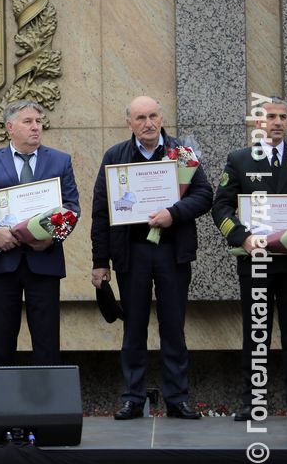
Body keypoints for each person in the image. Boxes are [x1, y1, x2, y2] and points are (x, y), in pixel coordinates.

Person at [90, 96, 211, 420]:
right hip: (132, 252)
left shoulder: (180, 153)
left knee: (173, 326)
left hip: (172, 251)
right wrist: (100, 262)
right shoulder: (115, 156)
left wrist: (174, 213)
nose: (148, 123)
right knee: (133, 328)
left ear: (161, 117)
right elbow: (101, 212)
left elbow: (205, 195)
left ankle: (177, 398)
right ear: (129, 123)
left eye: (153, 116)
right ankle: (133, 398)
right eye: (141, 117)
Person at [0, 100, 80, 366]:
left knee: (47, 339)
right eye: (28, 122)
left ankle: (48, 393)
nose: (36, 127)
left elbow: (72, 207)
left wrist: (52, 237)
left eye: (38, 121)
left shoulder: (60, 161)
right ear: (10, 127)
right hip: (2, 261)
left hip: (45, 260)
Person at [211, 96, 287, 421]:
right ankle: (253, 402)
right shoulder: (240, 160)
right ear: (259, 123)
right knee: (257, 334)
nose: (277, 122)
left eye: (282, 117)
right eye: (271, 117)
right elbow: (221, 206)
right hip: (255, 262)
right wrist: (242, 236)